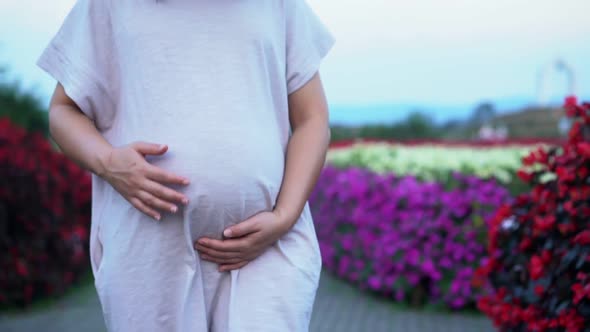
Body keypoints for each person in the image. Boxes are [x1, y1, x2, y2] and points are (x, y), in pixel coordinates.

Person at [37, 0, 334, 331]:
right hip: (149, 252)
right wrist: (108, 162)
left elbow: (312, 119)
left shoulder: (279, 5)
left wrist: (285, 216)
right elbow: (63, 112)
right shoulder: (108, 5)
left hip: (268, 248)